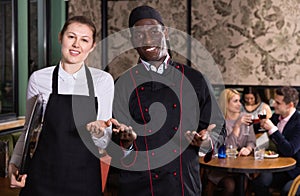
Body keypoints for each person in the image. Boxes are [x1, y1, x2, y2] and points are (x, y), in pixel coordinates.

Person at [106, 5, 227, 196]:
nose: (147, 39)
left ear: (166, 33)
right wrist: (125, 143)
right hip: (137, 186)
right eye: (139, 34)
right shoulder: (121, 84)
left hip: (182, 184)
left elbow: (219, 127)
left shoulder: (195, 80)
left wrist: (206, 140)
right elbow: (112, 141)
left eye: (154, 31)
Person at [8, 16, 114, 196]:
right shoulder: (39, 79)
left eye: (84, 40)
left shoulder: (102, 81)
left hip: (84, 177)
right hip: (43, 176)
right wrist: (13, 165)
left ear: (92, 46)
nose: (76, 45)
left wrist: (99, 133)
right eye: (71, 37)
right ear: (60, 37)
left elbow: (105, 140)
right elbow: (28, 130)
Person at [206, 89, 256, 196]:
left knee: (243, 183)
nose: (239, 104)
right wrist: (237, 126)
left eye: (239, 101)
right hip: (221, 167)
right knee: (230, 185)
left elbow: (252, 141)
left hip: (241, 166)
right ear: (226, 103)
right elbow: (226, 147)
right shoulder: (218, 122)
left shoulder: (245, 118)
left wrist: (248, 149)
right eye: (235, 101)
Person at [252, 86, 300, 196]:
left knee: (287, 191)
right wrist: (254, 122)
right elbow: (261, 127)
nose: (273, 105)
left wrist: (273, 129)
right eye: (274, 101)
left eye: (278, 103)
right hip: (279, 167)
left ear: (290, 105)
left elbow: (290, 150)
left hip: (295, 171)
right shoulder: (277, 116)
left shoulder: (298, 122)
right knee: (259, 182)